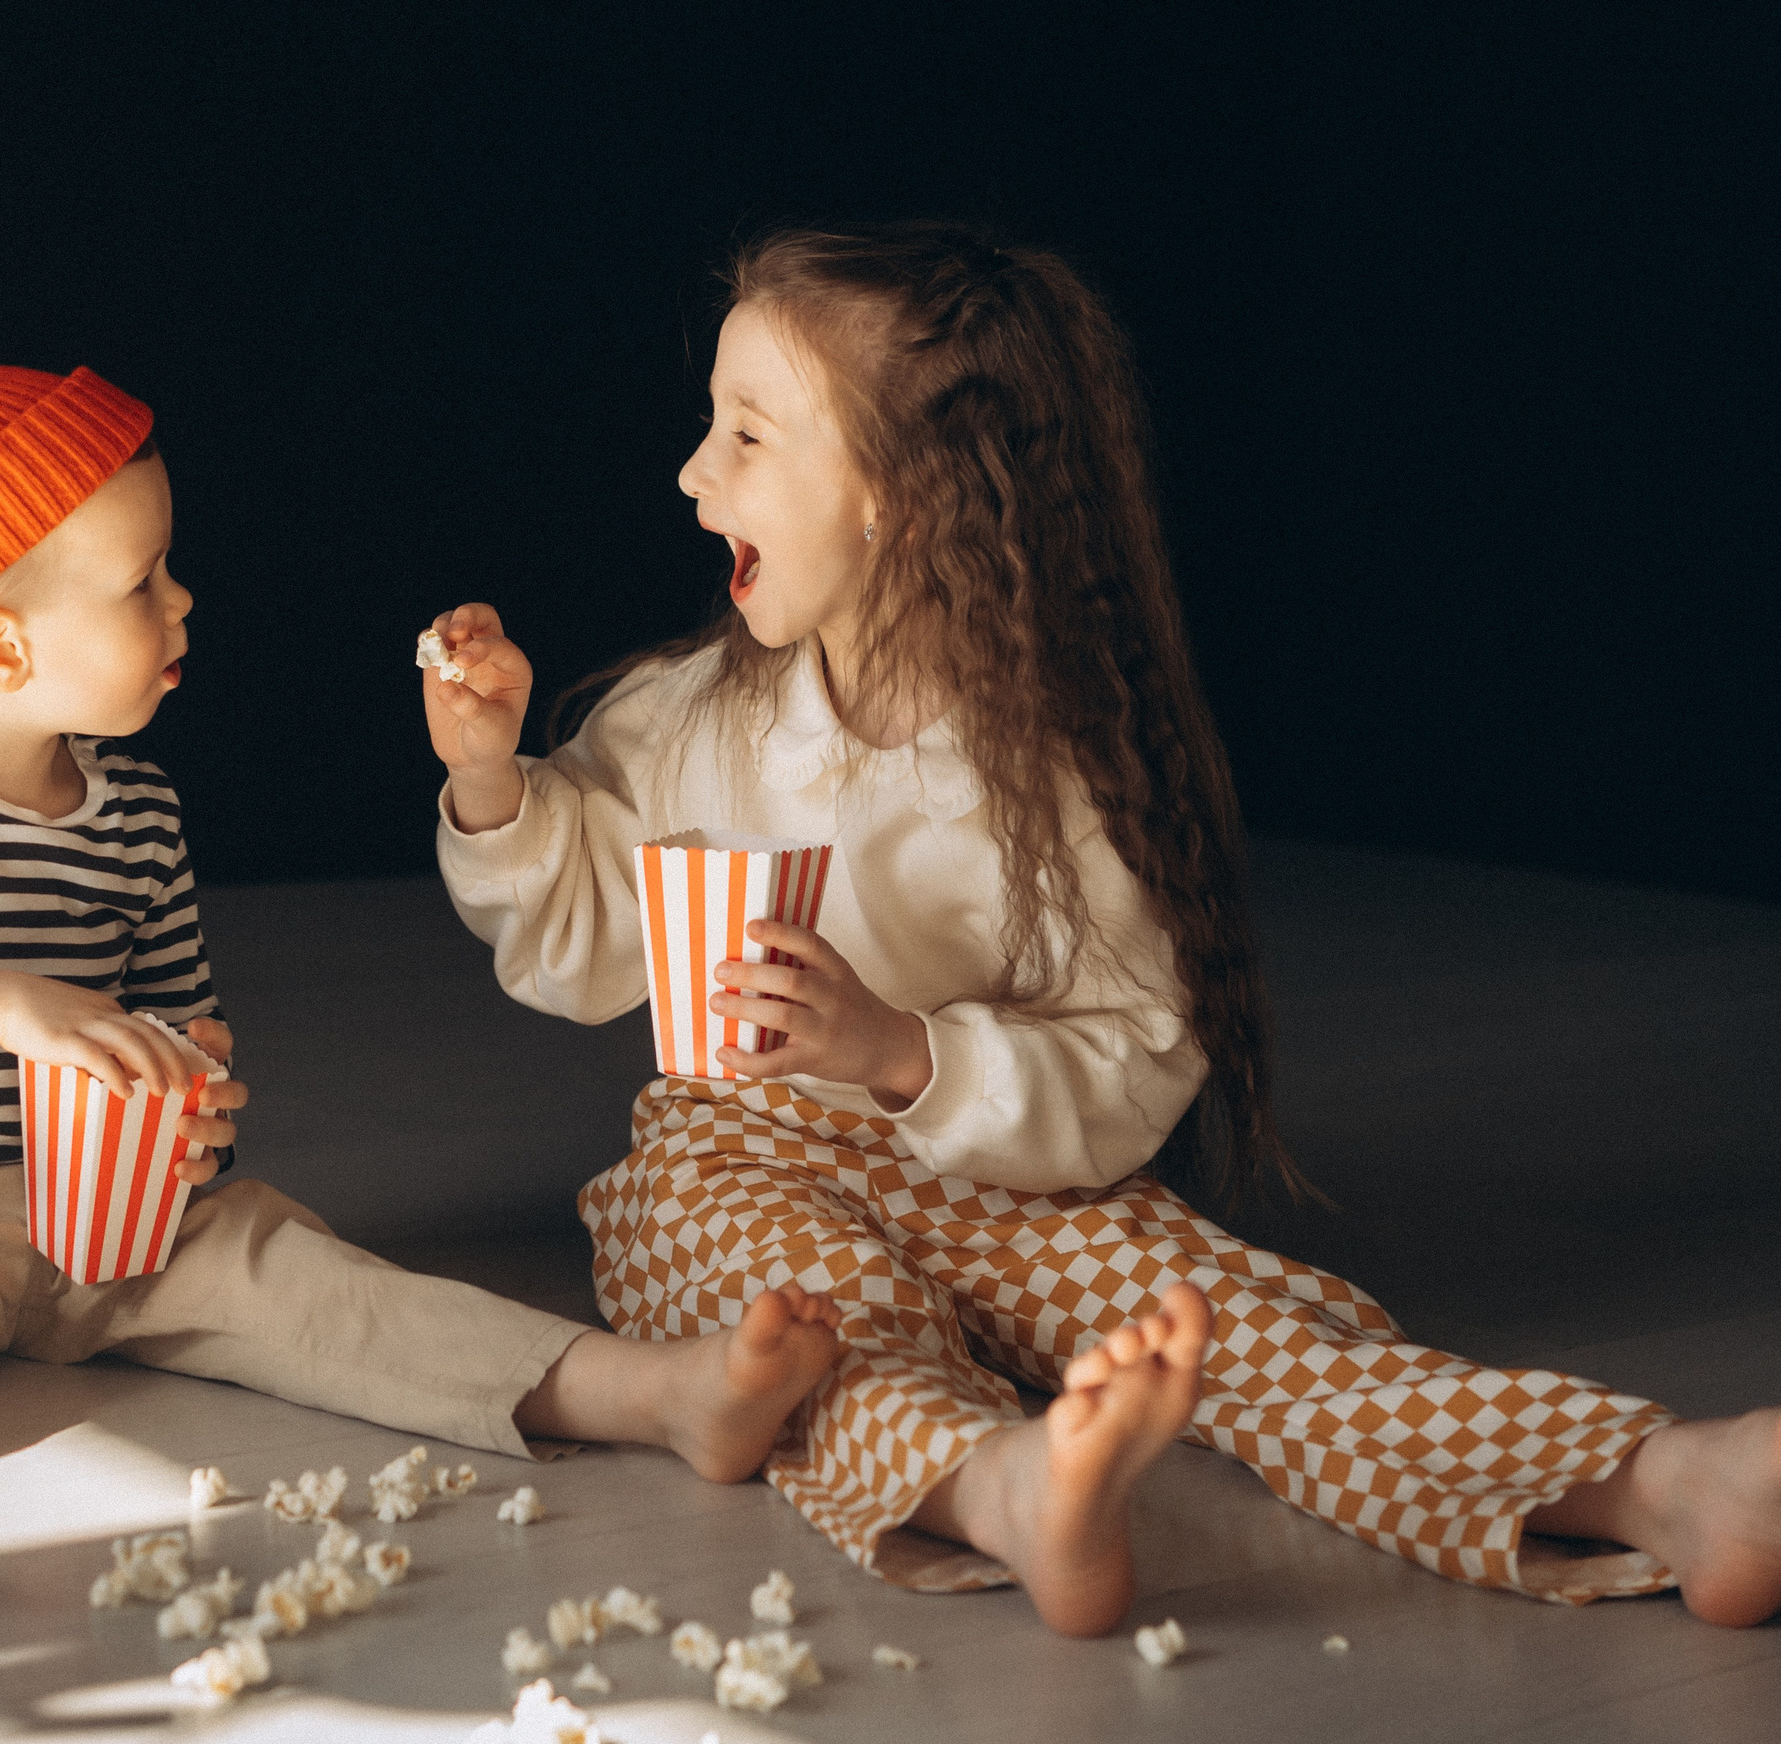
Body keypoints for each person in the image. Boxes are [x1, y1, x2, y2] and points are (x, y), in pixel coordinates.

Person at [421, 222, 1781, 1636]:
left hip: (1004, 1177)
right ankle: (1001, 1489)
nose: (694, 474)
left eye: (747, 437)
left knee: (1239, 1332)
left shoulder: (1051, 772)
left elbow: (1133, 1049)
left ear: (900, 497)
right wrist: (492, 777)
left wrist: (905, 1054)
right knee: (808, 1331)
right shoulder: (696, 718)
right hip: (736, 1151)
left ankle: (1668, 1481)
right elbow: (577, 935)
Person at [0, 355, 845, 1591]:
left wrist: (189, 1106)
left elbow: (179, 1020)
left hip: (100, 1221)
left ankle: (652, 1394)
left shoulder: (137, 812)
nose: (183, 599)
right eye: (141, 582)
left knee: (315, 1284)